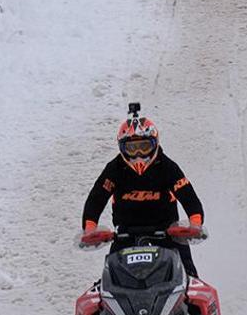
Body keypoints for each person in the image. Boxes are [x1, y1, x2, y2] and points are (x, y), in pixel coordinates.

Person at [80, 103, 204, 276]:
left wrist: (195, 224)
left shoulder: (167, 166)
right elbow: (97, 197)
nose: (138, 154)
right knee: (111, 277)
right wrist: (90, 229)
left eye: (144, 147)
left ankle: (195, 299)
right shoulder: (115, 168)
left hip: (167, 233)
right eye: (132, 148)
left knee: (189, 275)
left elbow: (188, 196)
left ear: (154, 144)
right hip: (125, 234)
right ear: (122, 148)